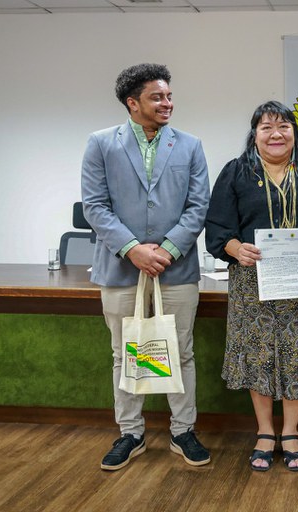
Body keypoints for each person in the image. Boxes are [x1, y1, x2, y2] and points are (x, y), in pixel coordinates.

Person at [81, 63, 211, 471]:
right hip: (121, 270)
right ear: (132, 103)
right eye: (157, 97)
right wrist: (133, 249)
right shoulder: (101, 144)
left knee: (181, 352)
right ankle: (131, 433)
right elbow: (95, 206)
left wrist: (168, 249)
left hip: (176, 269)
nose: (167, 103)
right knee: (125, 353)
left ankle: (182, 431)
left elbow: (198, 206)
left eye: (169, 96)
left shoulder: (189, 145)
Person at [205, 101, 298, 472]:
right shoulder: (235, 173)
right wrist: (235, 247)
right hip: (252, 281)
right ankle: (265, 431)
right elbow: (217, 229)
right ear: (254, 135)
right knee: (259, 354)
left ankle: (291, 432)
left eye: (283, 126)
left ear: (294, 133)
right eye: (266, 127)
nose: (275, 133)